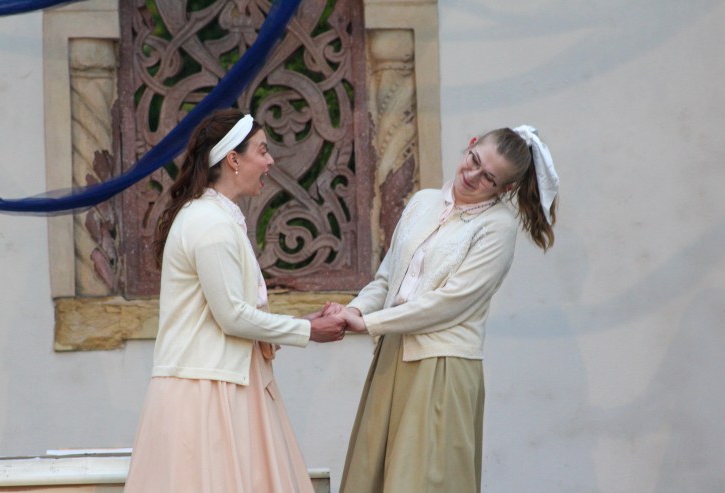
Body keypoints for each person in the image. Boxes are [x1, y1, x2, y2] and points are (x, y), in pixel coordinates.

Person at [124, 108, 346, 493]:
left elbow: (235, 313)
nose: (270, 161)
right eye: (262, 150)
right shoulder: (209, 223)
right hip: (206, 394)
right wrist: (307, 330)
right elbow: (232, 317)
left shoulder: (216, 218)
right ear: (233, 159)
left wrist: (301, 324)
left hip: (224, 382)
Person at [328, 125, 559, 493]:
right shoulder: (423, 201)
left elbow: (448, 304)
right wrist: (353, 311)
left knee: (421, 481)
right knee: (373, 476)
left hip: (442, 366)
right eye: (474, 160)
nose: (472, 175)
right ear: (470, 145)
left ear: (506, 189)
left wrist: (369, 323)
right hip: (391, 355)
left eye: (488, 178)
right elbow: (388, 278)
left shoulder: (497, 227)